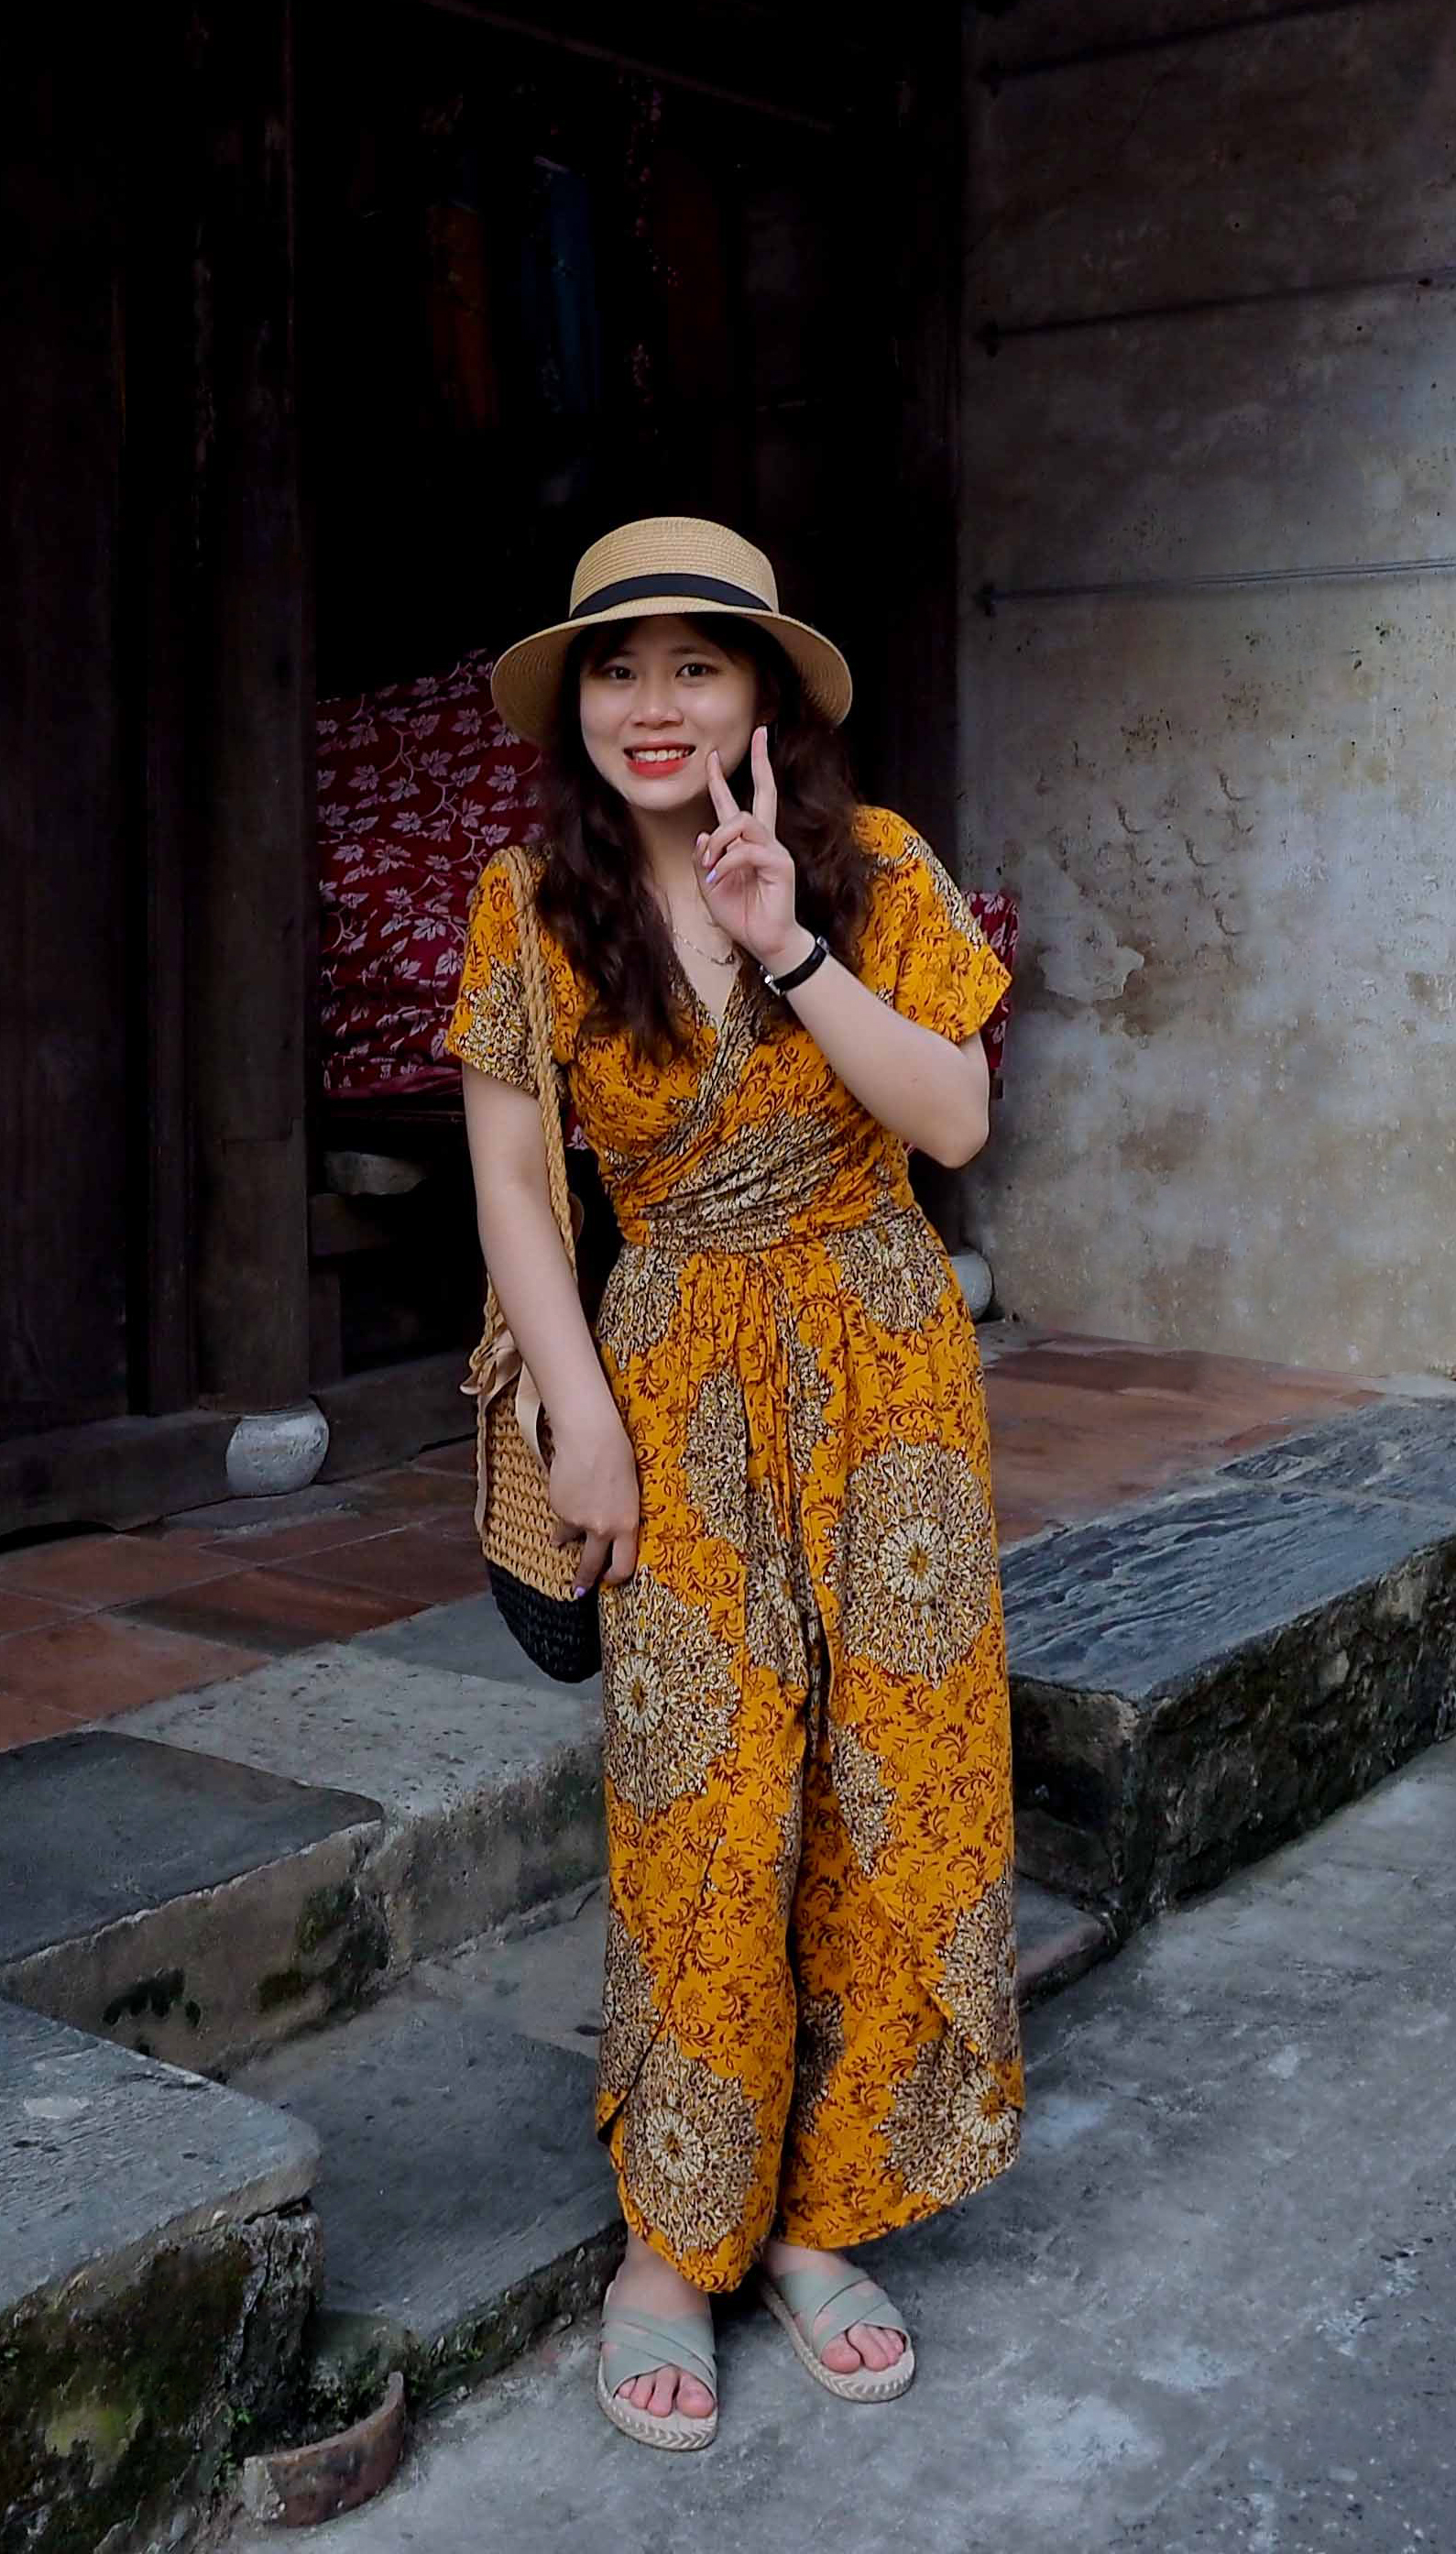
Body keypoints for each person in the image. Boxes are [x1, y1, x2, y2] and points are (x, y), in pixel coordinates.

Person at [445, 519, 1021, 2452]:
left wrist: (790, 940)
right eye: (619, 668)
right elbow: (515, 1186)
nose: (655, 703)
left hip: (886, 1373)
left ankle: (823, 2213)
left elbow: (949, 1117)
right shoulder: (526, 902)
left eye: (699, 664)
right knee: (703, 1811)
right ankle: (668, 2244)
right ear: (579, 704)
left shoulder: (875, 872)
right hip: (671, 1371)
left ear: (765, 690)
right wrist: (582, 1413)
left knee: (893, 1790)